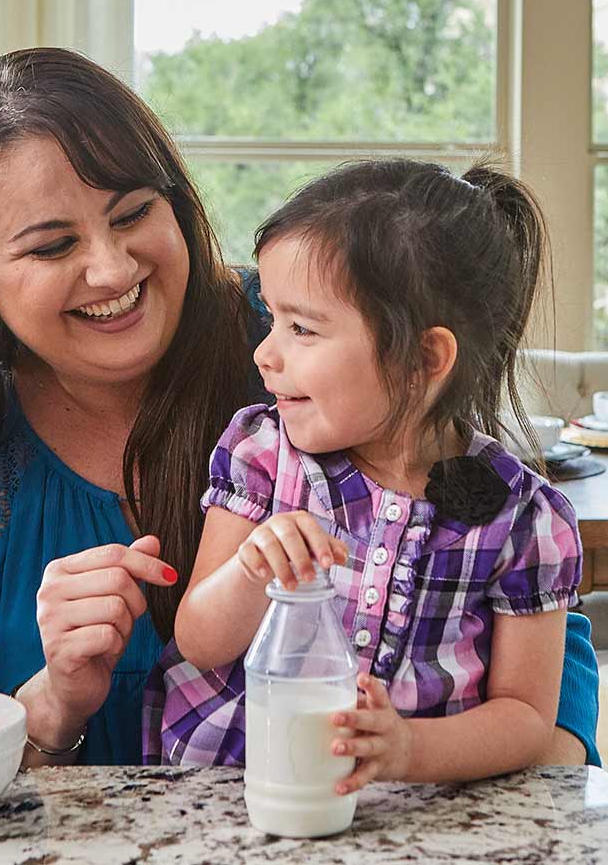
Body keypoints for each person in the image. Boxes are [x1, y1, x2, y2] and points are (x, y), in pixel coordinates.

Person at [0, 47, 600, 769]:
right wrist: (59, 699)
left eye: (133, 213)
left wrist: (504, 753)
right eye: (54, 245)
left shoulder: (303, 345)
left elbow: (540, 659)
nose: (114, 268)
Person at [149, 159, 579, 796]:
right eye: (271, 321)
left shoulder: (523, 520)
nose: (265, 353)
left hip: (414, 811)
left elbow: (525, 718)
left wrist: (409, 747)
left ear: (424, 359)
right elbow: (199, 641)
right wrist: (248, 571)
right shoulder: (262, 453)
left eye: (302, 329)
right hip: (237, 789)